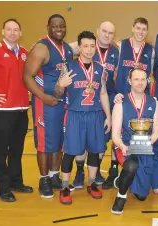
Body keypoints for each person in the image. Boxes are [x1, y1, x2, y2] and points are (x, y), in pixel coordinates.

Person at [54, 31, 111, 205]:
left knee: (94, 151)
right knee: (70, 152)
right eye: (85, 46)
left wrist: (108, 115)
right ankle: (65, 187)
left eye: (92, 46)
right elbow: (57, 93)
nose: (89, 50)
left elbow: (102, 92)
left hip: (95, 115)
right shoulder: (68, 67)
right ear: (78, 47)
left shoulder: (100, 69)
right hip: (75, 115)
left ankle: (92, 184)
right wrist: (60, 85)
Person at [0, 18, 33, 202]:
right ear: (3, 32)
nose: (12, 32)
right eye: (9, 29)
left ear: (20, 33)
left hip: (21, 111)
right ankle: (2, 189)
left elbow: (33, 78)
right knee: (1, 152)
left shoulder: (25, 53)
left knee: (17, 149)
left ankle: (15, 182)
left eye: (16, 30)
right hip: (2, 111)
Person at [23, 14, 74, 198]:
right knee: (45, 144)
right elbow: (26, 76)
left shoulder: (66, 48)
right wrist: (43, 96)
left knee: (59, 141)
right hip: (44, 103)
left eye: (62, 26)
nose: (59, 29)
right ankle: (43, 179)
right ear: (48, 27)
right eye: (55, 26)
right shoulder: (41, 48)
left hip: (61, 104)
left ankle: (54, 176)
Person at [70, 21, 120, 189]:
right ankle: (79, 172)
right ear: (98, 31)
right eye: (104, 31)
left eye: (111, 33)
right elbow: (63, 50)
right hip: (83, 102)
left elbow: (117, 75)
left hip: (105, 99)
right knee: (81, 140)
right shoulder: (86, 46)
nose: (107, 35)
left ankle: (95, 170)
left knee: (100, 140)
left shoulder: (116, 51)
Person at [111, 68, 158, 215]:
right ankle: (121, 196)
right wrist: (122, 146)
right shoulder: (120, 103)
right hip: (125, 145)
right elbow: (115, 135)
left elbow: (156, 132)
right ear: (129, 80)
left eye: (143, 79)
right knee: (131, 165)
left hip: (144, 148)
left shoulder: (153, 102)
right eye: (136, 79)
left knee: (142, 196)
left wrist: (147, 143)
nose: (140, 83)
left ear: (147, 81)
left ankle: (123, 179)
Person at [115, 17, 154, 95]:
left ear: (147, 32)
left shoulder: (151, 50)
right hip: (122, 94)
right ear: (132, 28)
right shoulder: (121, 46)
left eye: (144, 29)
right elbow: (114, 72)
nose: (140, 32)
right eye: (138, 28)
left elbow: (152, 74)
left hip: (142, 97)